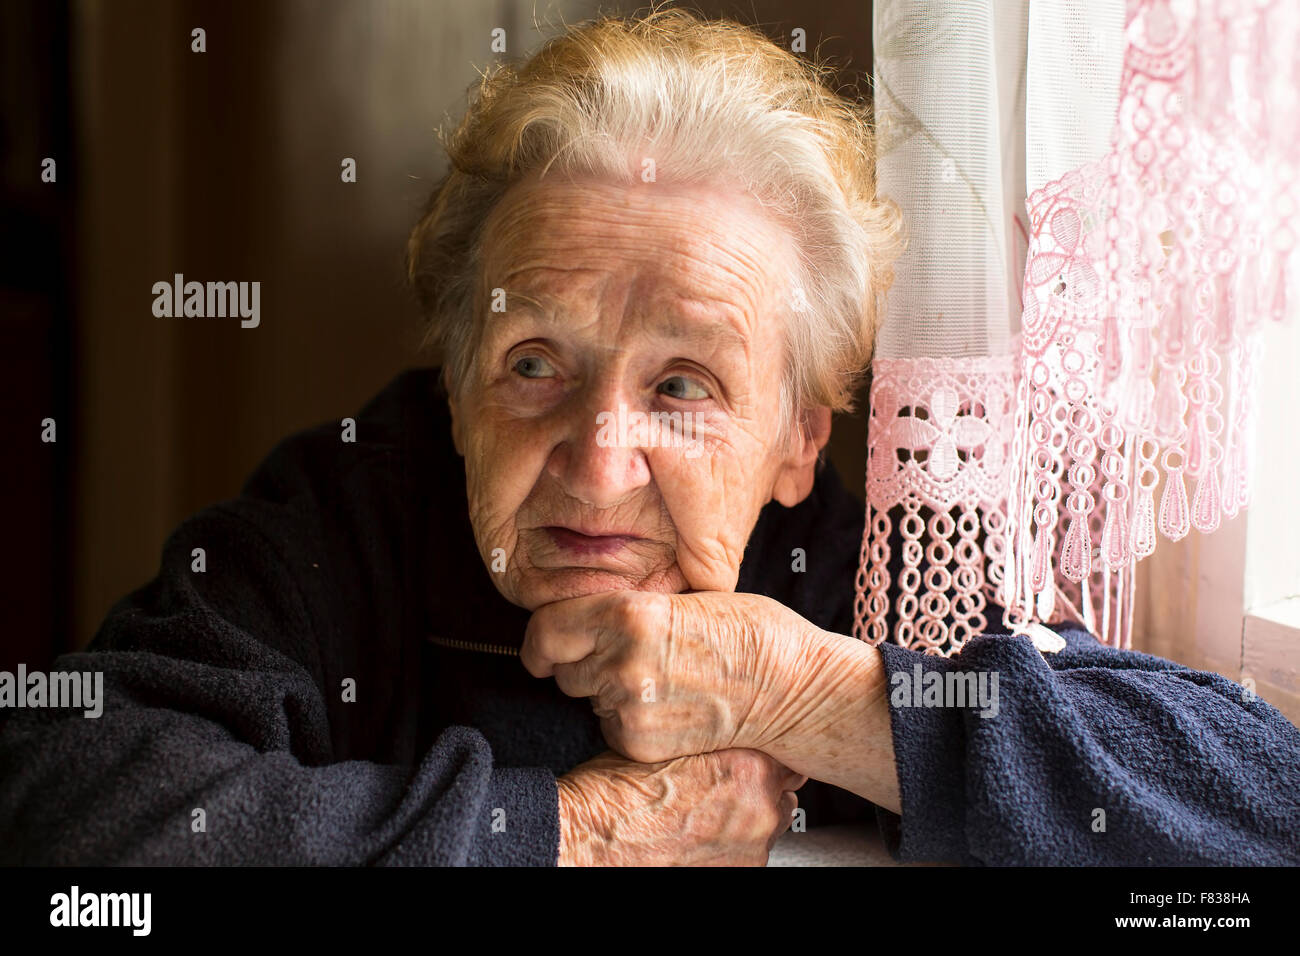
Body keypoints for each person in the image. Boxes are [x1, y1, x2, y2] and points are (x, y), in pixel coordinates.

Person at [2, 8, 1297, 867]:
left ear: (801, 435)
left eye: (684, 386)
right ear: (455, 393)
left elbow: (1264, 807)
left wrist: (807, 696)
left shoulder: (873, 561)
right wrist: (566, 833)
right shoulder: (356, 515)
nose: (600, 457)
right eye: (533, 367)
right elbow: (57, 799)